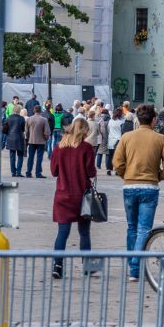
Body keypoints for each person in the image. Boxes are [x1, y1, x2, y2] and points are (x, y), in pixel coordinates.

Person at [113, 104, 164, 282]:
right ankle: (135, 267)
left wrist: (126, 174)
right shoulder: (160, 139)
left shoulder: (127, 137)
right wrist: (158, 176)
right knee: (144, 229)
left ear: (138, 119)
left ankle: (133, 266)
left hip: (129, 186)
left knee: (132, 227)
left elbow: (117, 162)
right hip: (150, 187)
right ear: (154, 119)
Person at [50, 118, 96, 279]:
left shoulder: (58, 148)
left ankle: (57, 266)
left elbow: (54, 172)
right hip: (82, 196)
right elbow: (91, 172)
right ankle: (87, 266)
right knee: (84, 233)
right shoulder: (86, 148)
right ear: (84, 131)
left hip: (63, 195)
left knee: (62, 233)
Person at [25, 105, 51, 178]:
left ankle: (28, 172)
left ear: (34, 110)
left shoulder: (29, 119)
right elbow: (47, 132)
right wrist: (46, 138)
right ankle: (38, 173)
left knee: (30, 157)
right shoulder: (44, 120)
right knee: (39, 158)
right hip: (41, 141)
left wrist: (28, 138)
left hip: (31, 140)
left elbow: (26, 131)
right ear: (40, 111)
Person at [5, 106, 27, 177]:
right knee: (20, 156)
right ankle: (18, 172)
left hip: (11, 138)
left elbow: (5, 128)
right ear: (19, 111)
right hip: (19, 138)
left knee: (12, 156)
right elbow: (23, 129)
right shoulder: (22, 118)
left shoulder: (9, 118)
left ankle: (13, 172)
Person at [105, 108, 125, 176]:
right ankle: (117, 170)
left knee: (110, 156)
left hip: (111, 140)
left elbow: (108, 130)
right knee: (118, 156)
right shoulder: (122, 122)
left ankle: (108, 169)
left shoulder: (110, 121)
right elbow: (123, 131)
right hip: (118, 140)